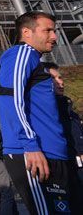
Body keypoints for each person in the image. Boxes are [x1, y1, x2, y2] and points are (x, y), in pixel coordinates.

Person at [0, 11, 73, 214]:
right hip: (33, 152)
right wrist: (29, 143)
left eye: (55, 30)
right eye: (48, 30)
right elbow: (10, 99)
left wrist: (31, 113)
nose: (54, 36)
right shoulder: (21, 54)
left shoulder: (33, 61)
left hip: (52, 151)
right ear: (26, 32)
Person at [46, 63, 83, 213]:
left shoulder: (68, 108)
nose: (60, 82)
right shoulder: (49, 110)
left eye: (60, 77)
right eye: (52, 78)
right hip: (66, 170)